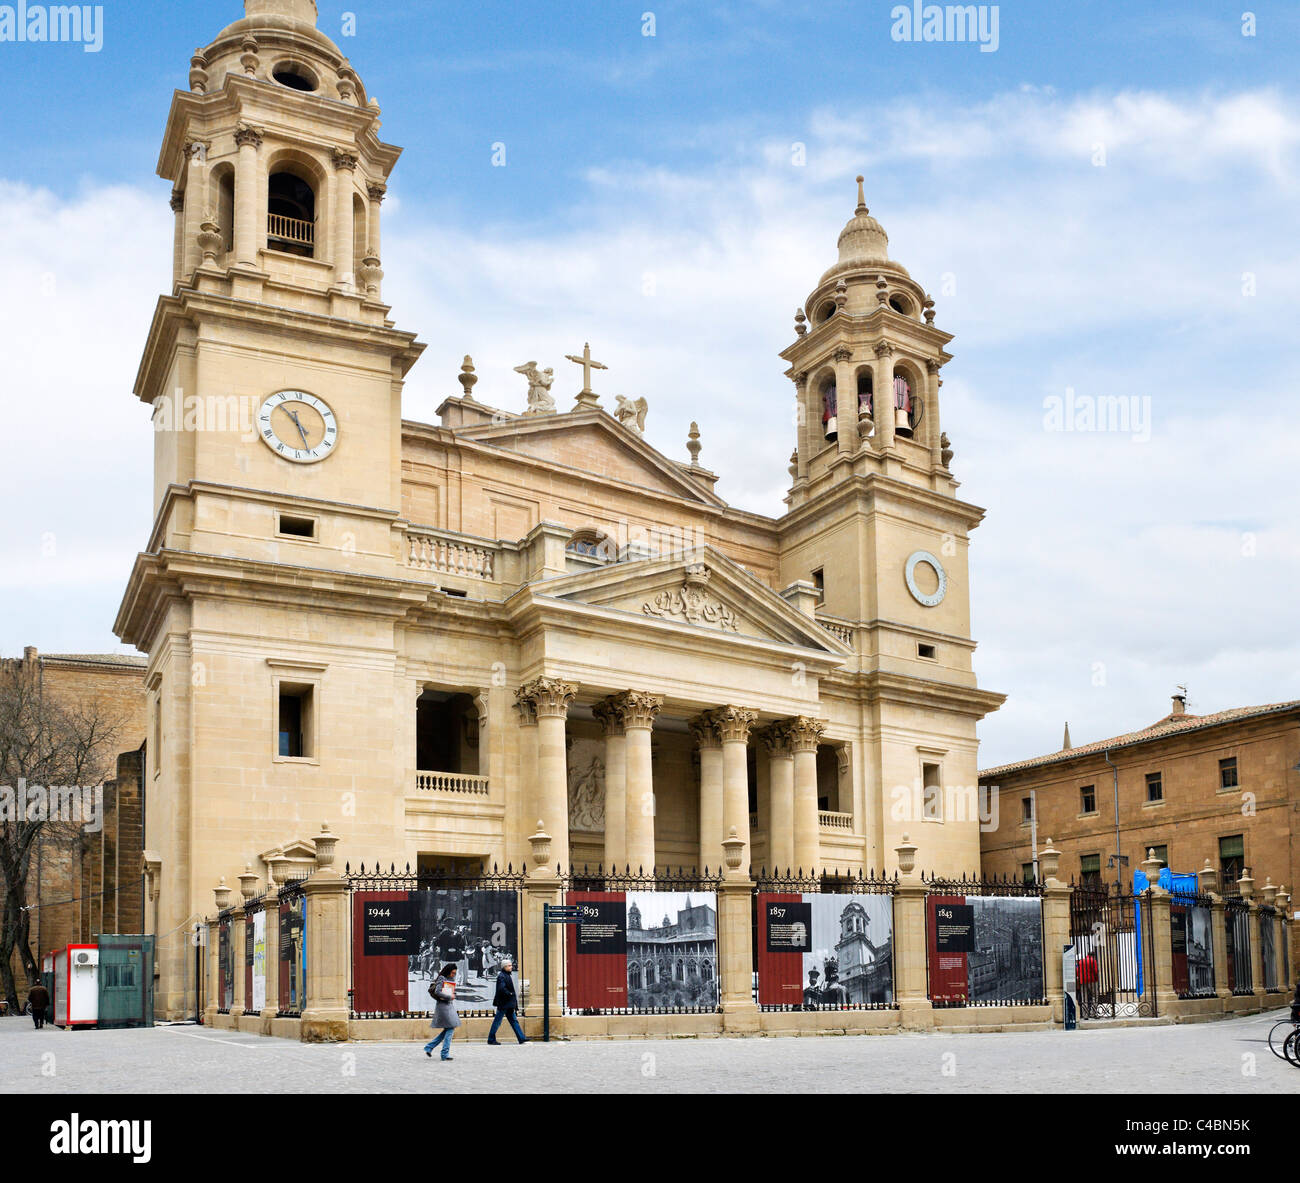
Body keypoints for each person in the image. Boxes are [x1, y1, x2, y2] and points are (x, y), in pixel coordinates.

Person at [423, 964, 460, 1061]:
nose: (453, 975)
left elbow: (450, 991)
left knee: (448, 1029)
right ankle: (444, 1053)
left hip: (448, 1006)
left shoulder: (448, 979)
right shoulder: (441, 978)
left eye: (455, 973)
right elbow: (438, 992)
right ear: (448, 971)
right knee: (450, 1028)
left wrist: (453, 994)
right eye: (452, 972)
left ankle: (430, 1047)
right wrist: (449, 997)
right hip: (443, 1007)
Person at [487, 959, 527, 1045]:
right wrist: (510, 993)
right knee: (497, 1022)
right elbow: (501, 988)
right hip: (504, 1003)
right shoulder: (502, 976)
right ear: (504, 967)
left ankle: (521, 1038)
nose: (511, 967)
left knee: (513, 1020)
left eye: (511, 965)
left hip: (507, 1004)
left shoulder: (506, 975)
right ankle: (491, 1039)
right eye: (509, 966)